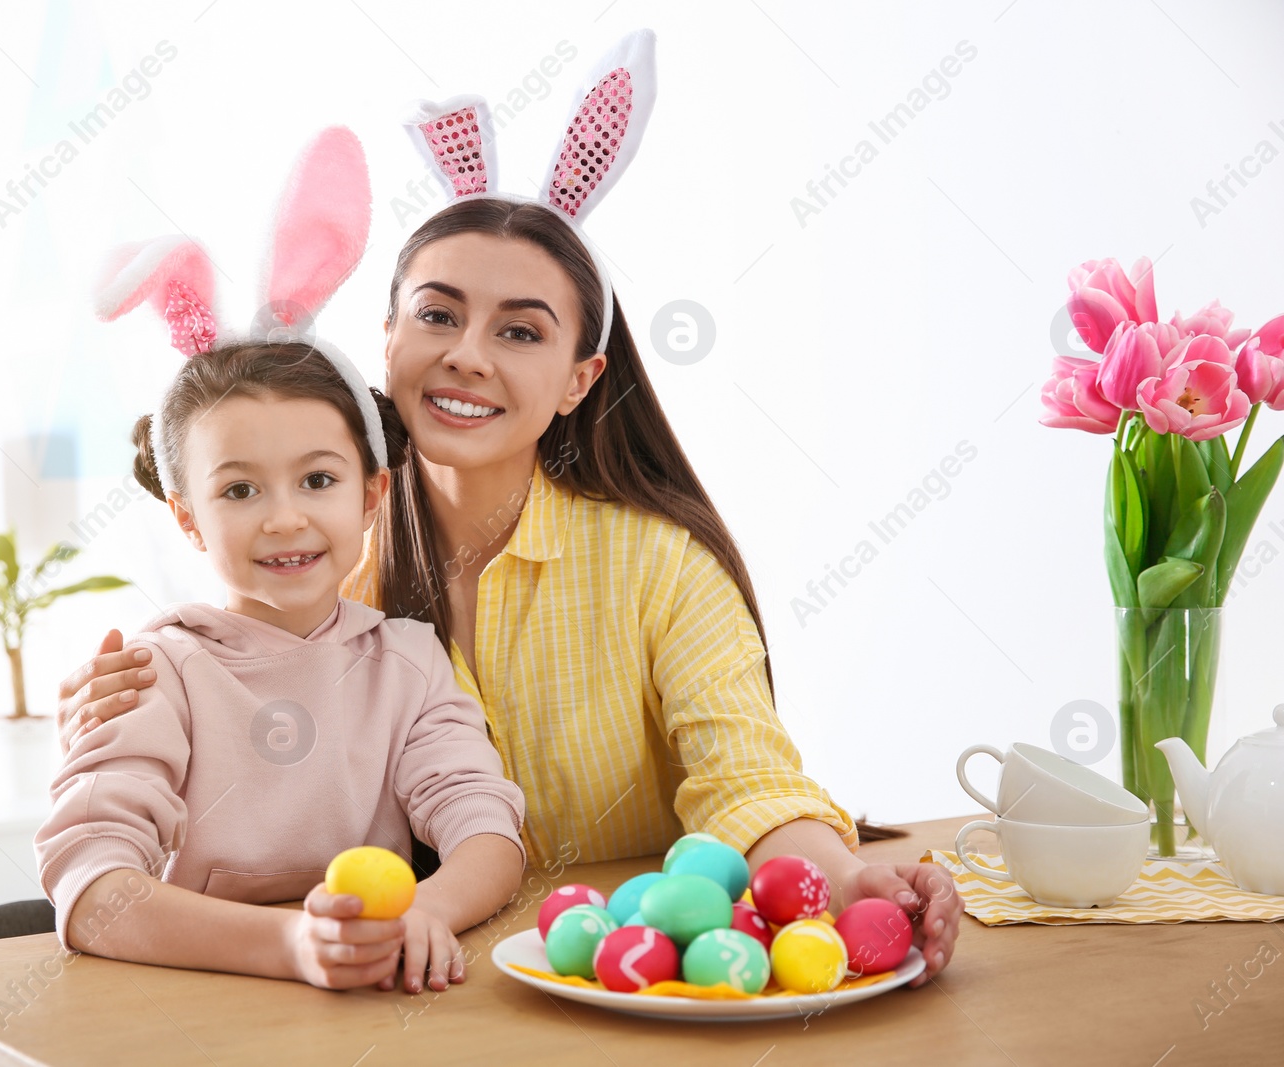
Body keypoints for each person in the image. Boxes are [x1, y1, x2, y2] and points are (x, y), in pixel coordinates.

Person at [57, 33, 964, 989]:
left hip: (616, 994)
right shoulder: (318, 560)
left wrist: (851, 876)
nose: (468, 356)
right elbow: (179, 765)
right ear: (389, 332)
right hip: (393, 992)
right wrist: (112, 704)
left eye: (520, 330)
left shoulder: (656, 566)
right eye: (438, 315)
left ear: (580, 378)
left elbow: (744, 777)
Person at [35, 128, 526, 996]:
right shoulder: (159, 673)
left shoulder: (406, 662)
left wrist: (430, 911)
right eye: (239, 491)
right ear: (186, 517)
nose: (285, 517)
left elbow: (486, 829)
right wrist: (291, 946)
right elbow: (93, 889)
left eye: (318, 478)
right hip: (195, 1014)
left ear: (371, 495)